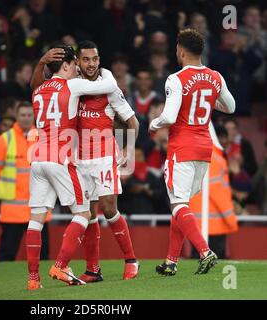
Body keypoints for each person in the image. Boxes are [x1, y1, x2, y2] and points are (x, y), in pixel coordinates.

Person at [30, 42, 140, 283]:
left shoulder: (108, 88)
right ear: (77, 63)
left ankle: (131, 260)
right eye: (86, 60)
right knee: (89, 214)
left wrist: (129, 150)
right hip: (78, 159)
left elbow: (133, 122)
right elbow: (39, 88)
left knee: (109, 210)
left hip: (103, 158)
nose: (92, 64)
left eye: (95, 59)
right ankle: (93, 269)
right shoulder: (70, 87)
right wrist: (41, 62)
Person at [149, 29, 236, 276]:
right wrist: (211, 103)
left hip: (182, 147)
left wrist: (153, 124)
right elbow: (230, 107)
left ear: (182, 50)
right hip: (204, 147)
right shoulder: (215, 76)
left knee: (177, 203)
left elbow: (169, 116)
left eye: (177, 48)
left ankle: (204, 251)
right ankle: (171, 261)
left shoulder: (175, 79)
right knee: (182, 203)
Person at [0, 101, 51, 262]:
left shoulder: (43, 139)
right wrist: (5, 187)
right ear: (16, 115)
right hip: (13, 210)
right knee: (7, 254)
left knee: (43, 254)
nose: (26, 118)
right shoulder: (4, 140)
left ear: (34, 116)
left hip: (38, 206)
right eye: (22, 115)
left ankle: (44, 283)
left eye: (29, 115)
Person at [189, 124, 239, 259]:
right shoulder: (215, 159)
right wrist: (231, 220)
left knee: (196, 263)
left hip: (196, 223)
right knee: (214, 267)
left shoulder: (196, 156)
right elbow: (217, 192)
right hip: (214, 225)